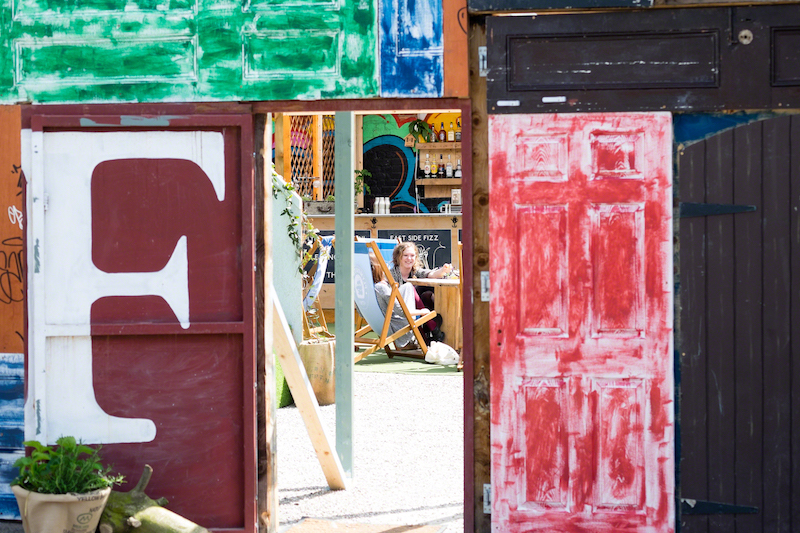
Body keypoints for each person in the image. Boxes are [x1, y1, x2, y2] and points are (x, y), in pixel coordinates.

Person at [389, 241, 451, 342]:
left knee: (427, 294)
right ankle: (432, 327)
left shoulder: (414, 271)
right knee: (411, 288)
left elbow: (430, 274)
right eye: (405, 255)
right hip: (399, 312)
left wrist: (443, 270)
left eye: (412, 255)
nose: (409, 258)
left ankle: (428, 333)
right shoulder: (391, 275)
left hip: (414, 312)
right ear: (398, 257)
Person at [369, 250, 429, 350]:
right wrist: (421, 311)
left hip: (379, 323)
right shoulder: (381, 288)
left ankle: (429, 330)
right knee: (424, 304)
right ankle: (414, 337)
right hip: (395, 326)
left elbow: (361, 313)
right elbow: (401, 312)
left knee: (408, 286)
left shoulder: (365, 289)